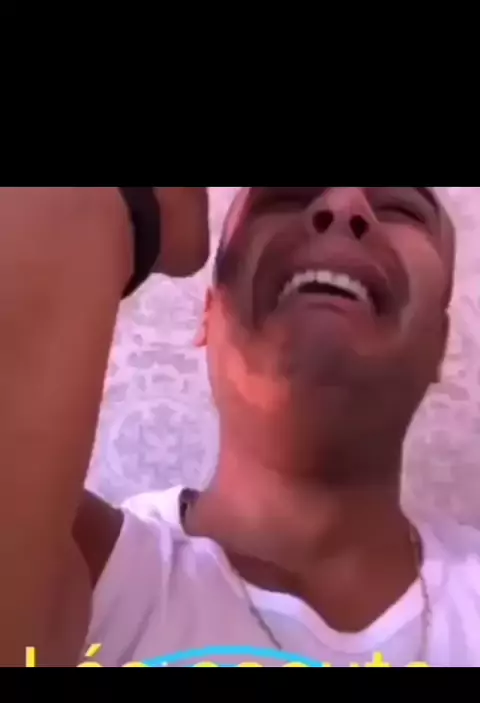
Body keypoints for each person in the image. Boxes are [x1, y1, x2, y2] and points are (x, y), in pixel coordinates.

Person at [2, 187, 479, 667]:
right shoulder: (77, 567)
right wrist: (142, 203)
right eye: (285, 198)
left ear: (440, 345)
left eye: (400, 209)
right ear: (208, 318)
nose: (343, 208)